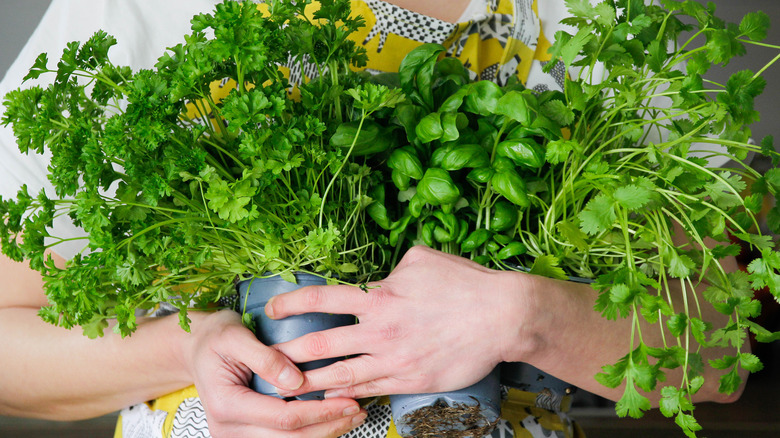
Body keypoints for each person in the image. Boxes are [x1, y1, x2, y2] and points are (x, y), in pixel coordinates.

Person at [0, 1, 748, 437]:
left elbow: (718, 350)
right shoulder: (148, 11)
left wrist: (532, 316)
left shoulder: (597, 22)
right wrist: (189, 347)